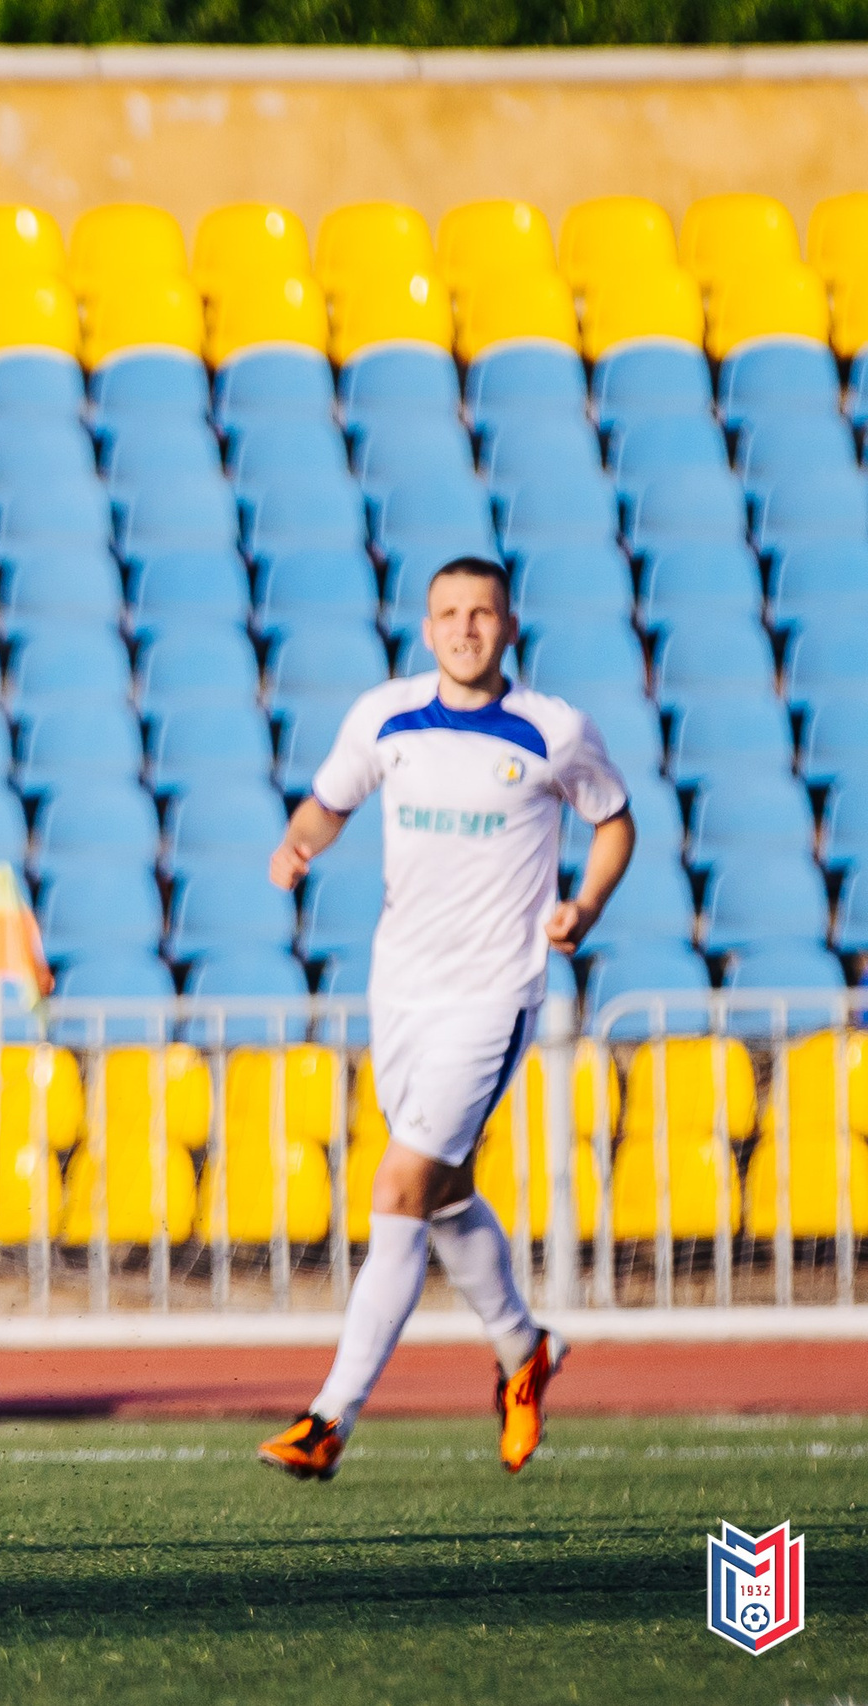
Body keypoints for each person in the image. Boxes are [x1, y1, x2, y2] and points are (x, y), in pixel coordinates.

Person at [258, 557, 634, 1482]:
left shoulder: (553, 732)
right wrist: (299, 843)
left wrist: (581, 908)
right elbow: (329, 802)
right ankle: (523, 1350)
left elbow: (616, 821)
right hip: (401, 995)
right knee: (446, 1195)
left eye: (482, 613)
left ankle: (328, 1417)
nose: (465, 628)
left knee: (397, 1185)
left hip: (492, 997)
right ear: (427, 629)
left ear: (509, 627)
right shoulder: (385, 716)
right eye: (449, 614)